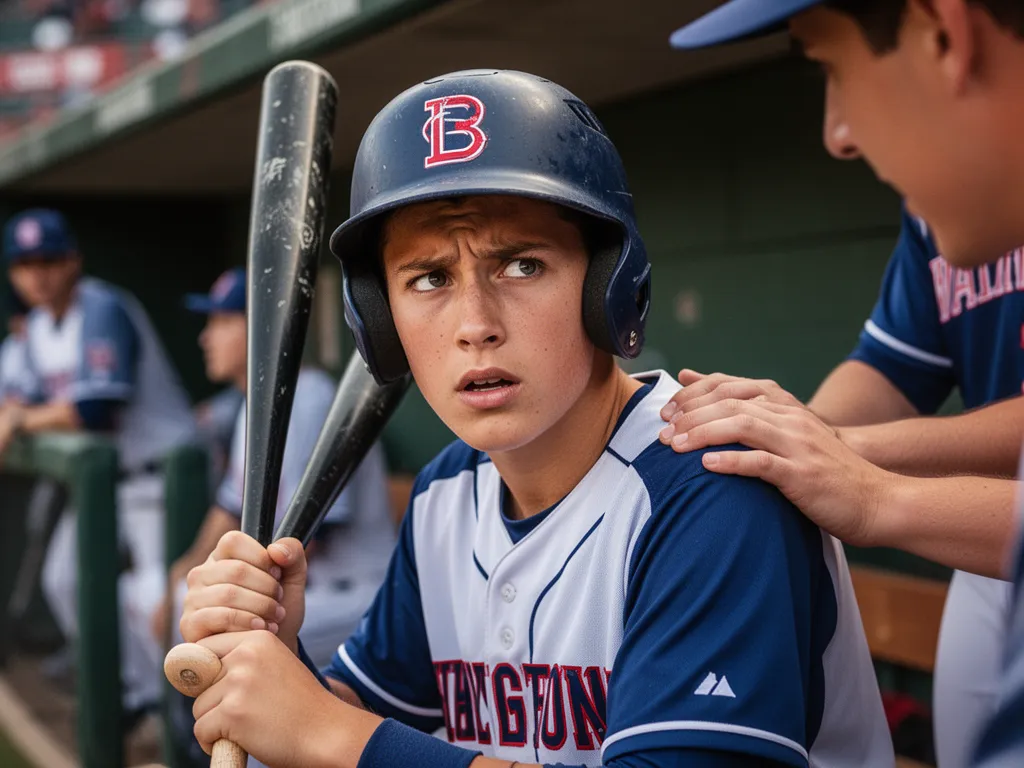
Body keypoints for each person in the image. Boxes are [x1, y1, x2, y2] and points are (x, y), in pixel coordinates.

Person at [174, 70, 894, 768]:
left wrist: (329, 735)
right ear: (381, 325)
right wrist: (277, 657)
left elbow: (345, 739)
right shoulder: (446, 492)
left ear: (609, 288)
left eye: (521, 265)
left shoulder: (713, 487)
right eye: (429, 279)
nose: (474, 325)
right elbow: (354, 718)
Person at [667, 1, 1024, 764]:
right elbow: (892, 367)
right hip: (983, 552)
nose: (838, 134)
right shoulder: (956, 201)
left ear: (941, 33)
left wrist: (857, 472)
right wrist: (790, 435)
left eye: (832, 69)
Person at [147, 267, 396, 765]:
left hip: (353, 591)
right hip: (311, 587)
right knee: (186, 608)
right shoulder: (256, 405)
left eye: (221, 322)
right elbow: (229, 508)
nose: (206, 336)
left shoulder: (307, 398)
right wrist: (188, 570)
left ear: (261, 329)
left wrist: (231, 600)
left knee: (225, 646)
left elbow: (305, 543)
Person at [0, 207, 197, 717]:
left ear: (73, 262)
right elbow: (13, 399)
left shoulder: (104, 306)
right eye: (24, 264)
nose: (38, 274)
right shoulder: (36, 329)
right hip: (110, 483)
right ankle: (141, 694)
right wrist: (18, 413)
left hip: (165, 477)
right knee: (65, 580)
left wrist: (22, 421)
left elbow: (95, 408)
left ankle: (184, 710)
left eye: (49, 259)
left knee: (159, 595)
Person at [0, 286, 31, 403]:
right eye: (13, 320)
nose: (16, 324)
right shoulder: (7, 348)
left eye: (20, 319)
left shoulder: (42, 338)